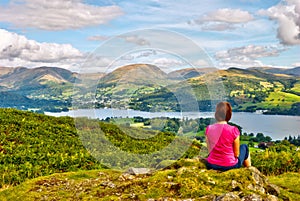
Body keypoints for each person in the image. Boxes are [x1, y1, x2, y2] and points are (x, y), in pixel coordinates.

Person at [205, 101, 251, 171]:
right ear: (229, 114)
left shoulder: (209, 129)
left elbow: (209, 150)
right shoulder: (234, 130)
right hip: (229, 166)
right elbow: (236, 154)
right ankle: (249, 171)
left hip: (211, 164)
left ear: (216, 114)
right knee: (245, 147)